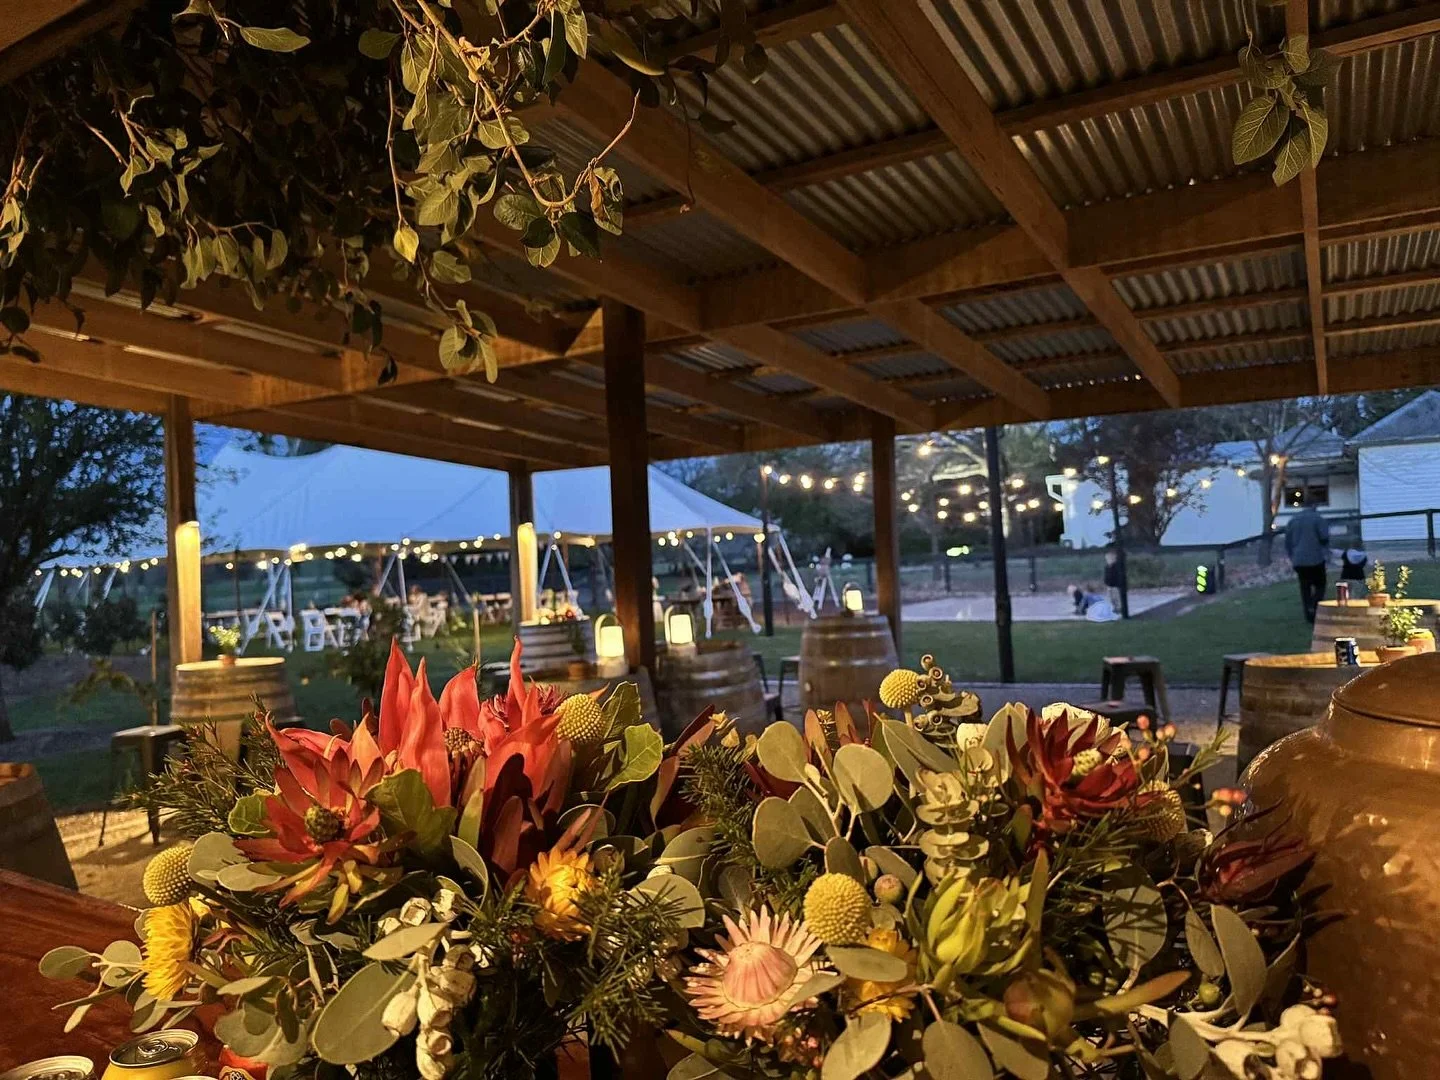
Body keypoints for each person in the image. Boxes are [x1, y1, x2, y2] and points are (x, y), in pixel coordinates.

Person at [1285, 496, 1331, 623]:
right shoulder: (1318, 519)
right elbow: (1324, 538)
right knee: (1320, 585)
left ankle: (1308, 614)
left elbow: (1287, 542)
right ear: (1314, 506)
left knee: (1304, 587)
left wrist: (1292, 556)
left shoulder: (1292, 520)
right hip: (1315, 558)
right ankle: (1316, 607)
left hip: (1299, 560)